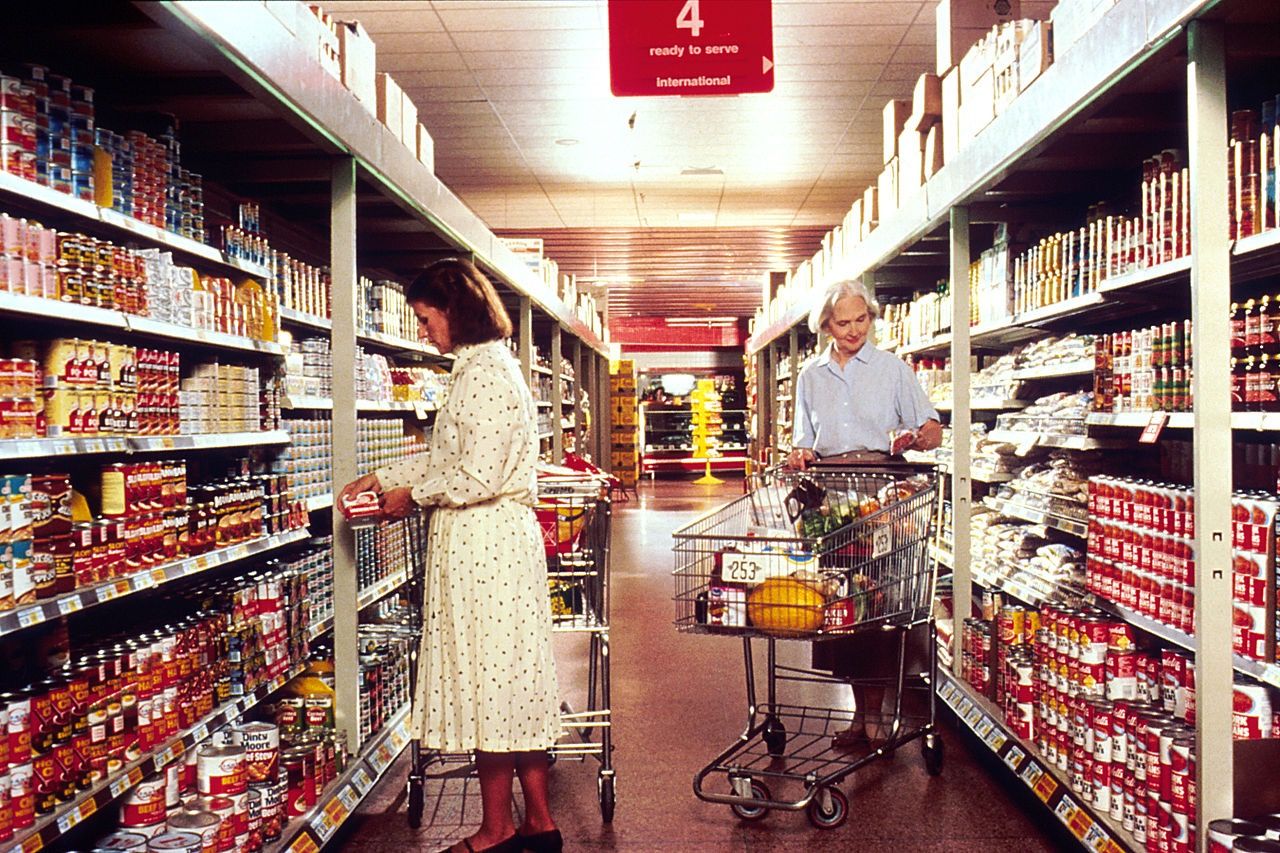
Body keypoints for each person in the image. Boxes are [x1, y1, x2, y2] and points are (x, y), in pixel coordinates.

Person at [339, 259, 561, 853]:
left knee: (489, 683)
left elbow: (477, 474)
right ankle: (539, 825)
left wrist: (410, 495)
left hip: (485, 544)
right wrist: (381, 475)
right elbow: (449, 458)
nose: (422, 330)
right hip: (485, 544)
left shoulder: (486, 375)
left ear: (453, 310)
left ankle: (496, 830)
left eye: (425, 317)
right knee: (511, 683)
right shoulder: (480, 370)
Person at [785, 278, 942, 750]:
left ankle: (877, 716)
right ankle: (860, 714)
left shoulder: (894, 370)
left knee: (878, 601)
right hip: (832, 497)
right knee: (842, 605)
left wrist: (916, 437)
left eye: (861, 320)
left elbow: (932, 429)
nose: (854, 331)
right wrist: (800, 455)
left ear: (871, 319)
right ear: (826, 326)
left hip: (884, 496)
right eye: (843, 322)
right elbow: (802, 439)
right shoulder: (810, 376)